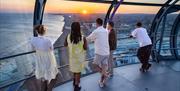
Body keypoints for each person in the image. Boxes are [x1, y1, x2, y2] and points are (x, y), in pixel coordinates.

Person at [31, 25, 59, 91]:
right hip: (49, 60)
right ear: (44, 31)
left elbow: (32, 49)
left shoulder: (33, 40)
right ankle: (49, 89)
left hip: (40, 60)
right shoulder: (48, 40)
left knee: (43, 77)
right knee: (55, 75)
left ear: (37, 31)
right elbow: (51, 49)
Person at [86, 18, 110, 87]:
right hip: (106, 52)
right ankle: (102, 82)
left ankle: (105, 75)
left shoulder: (96, 31)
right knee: (104, 67)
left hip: (100, 53)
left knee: (94, 65)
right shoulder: (106, 31)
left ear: (97, 23)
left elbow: (88, 39)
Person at [64, 22, 87, 91]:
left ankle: (74, 81)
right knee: (78, 71)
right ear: (79, 28)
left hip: (72, 57)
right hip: (80, 58)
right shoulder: (83, 38)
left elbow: (65, 45)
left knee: (74, 70)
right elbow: (85, 47)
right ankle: (76, 86)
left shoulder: (68, 36)